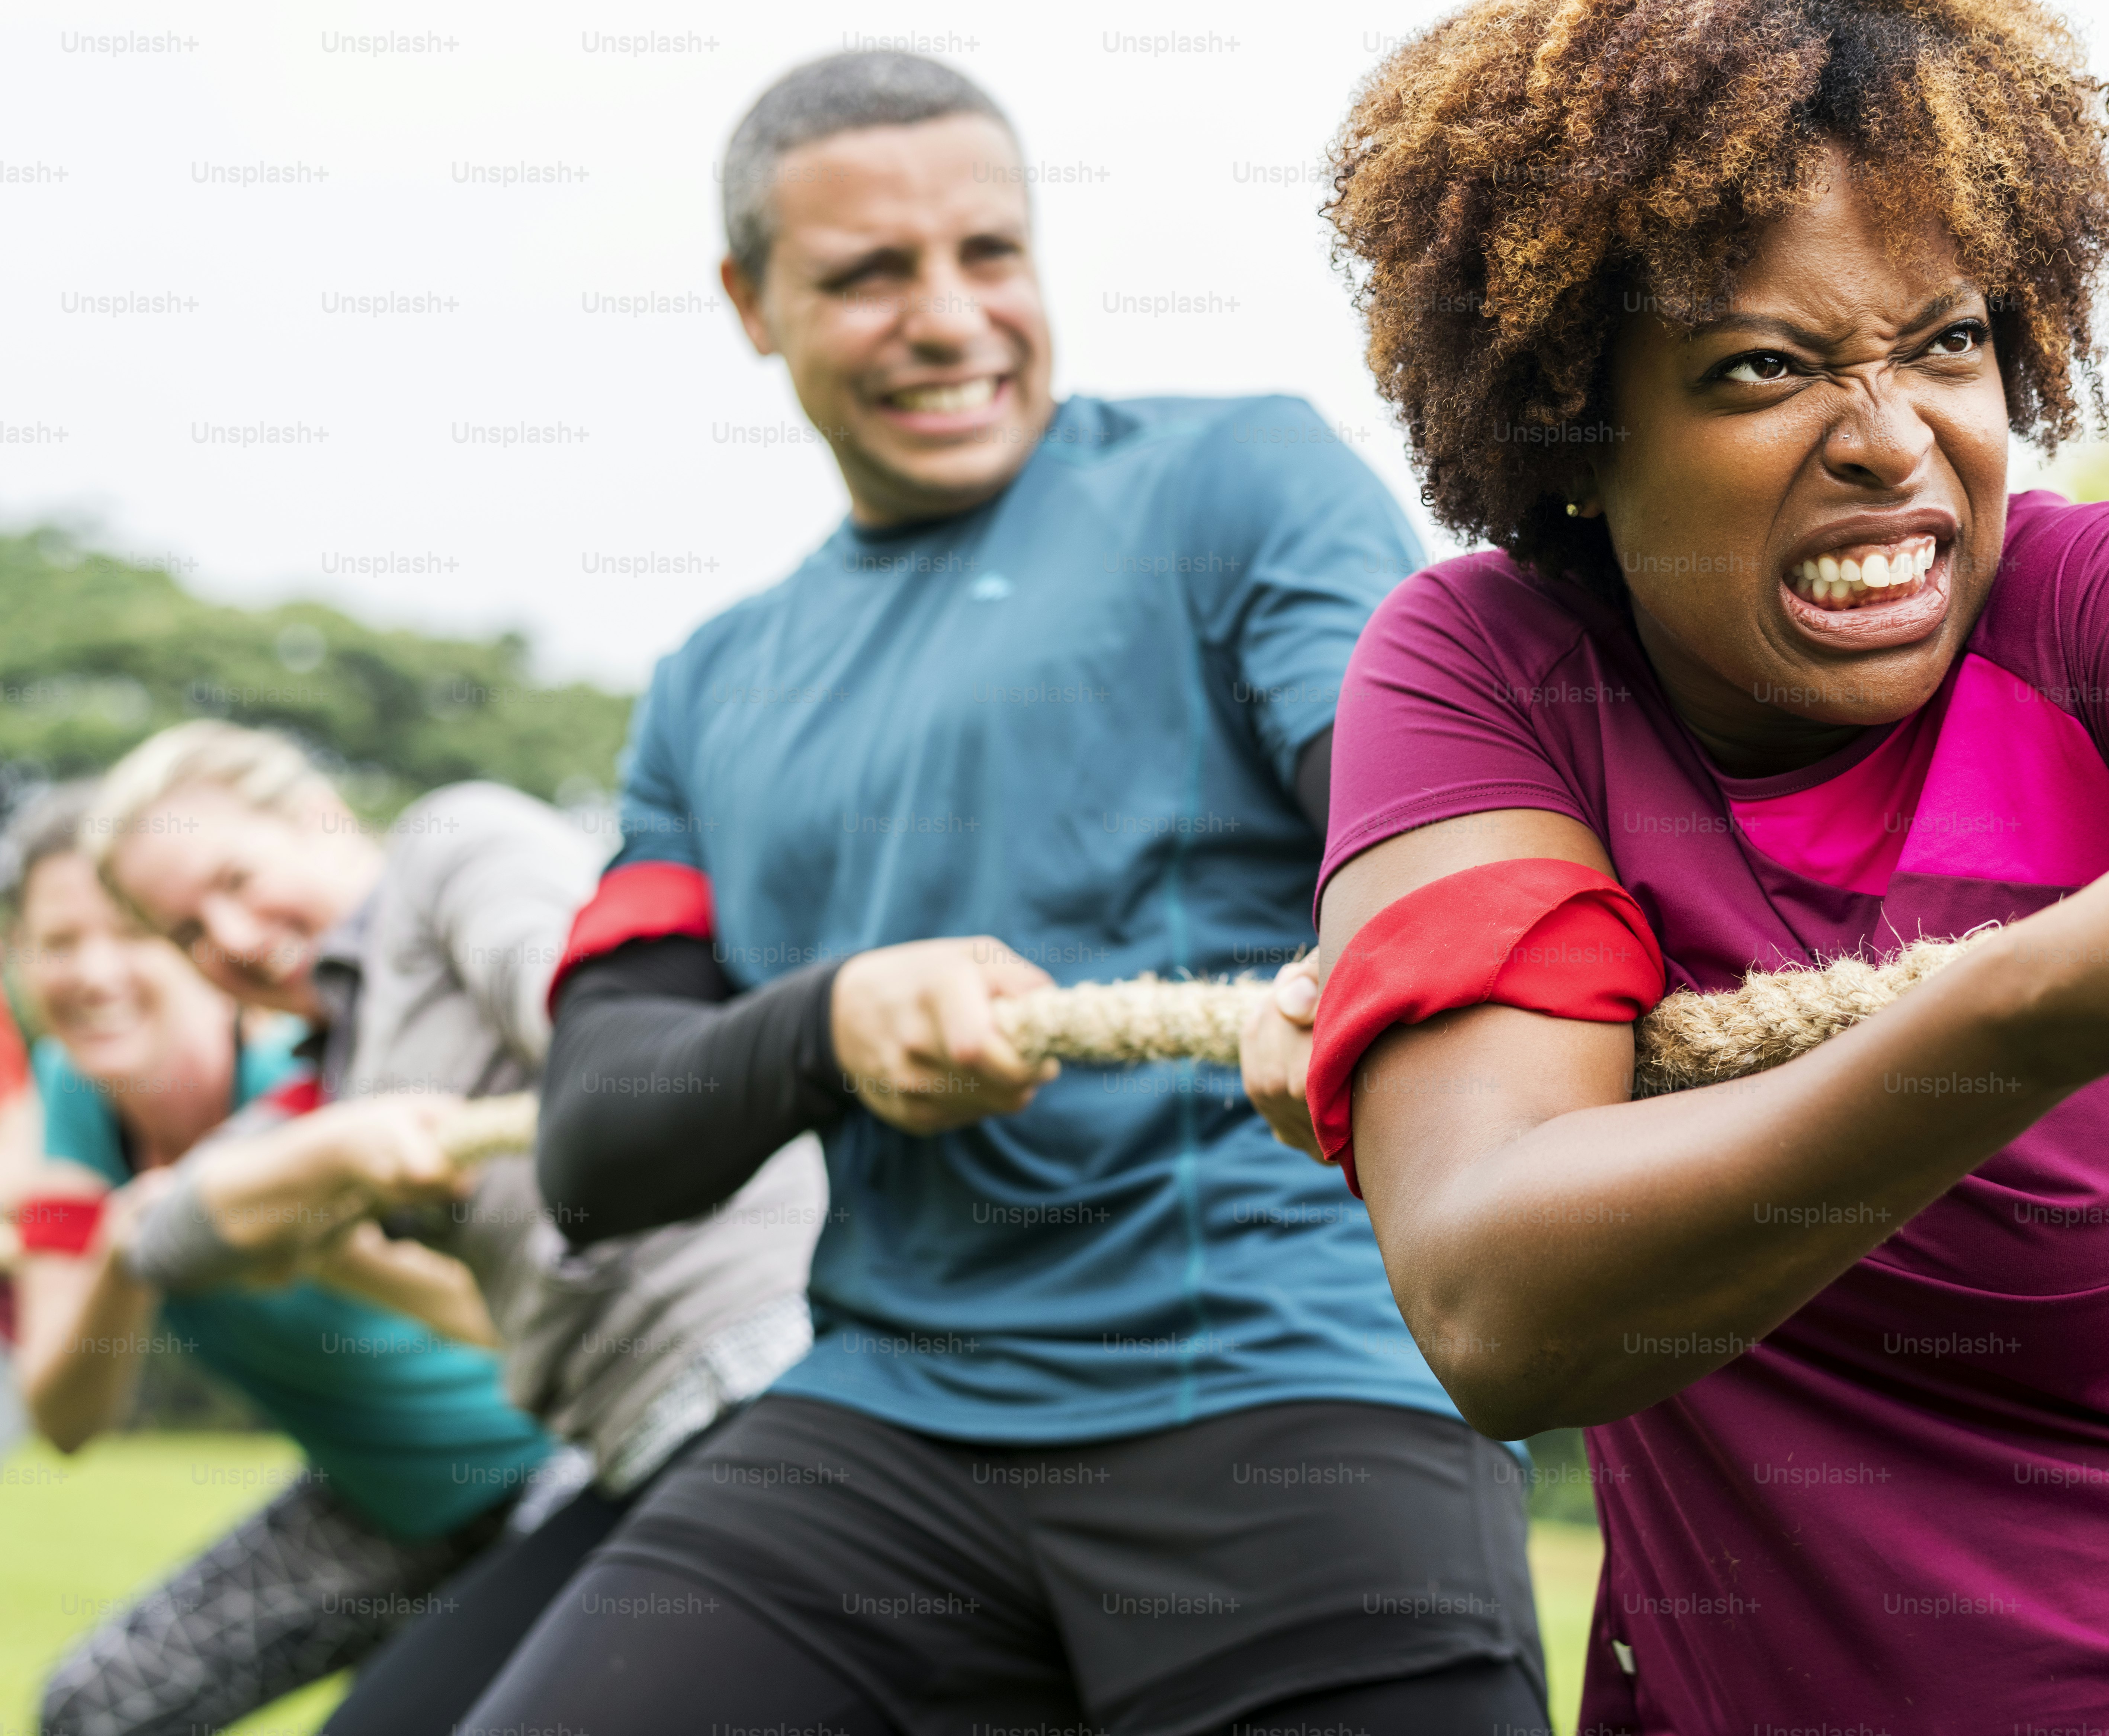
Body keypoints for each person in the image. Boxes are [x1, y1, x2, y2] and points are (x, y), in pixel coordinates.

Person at [1302, 2, 2109, 1733]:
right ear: (1570, 423)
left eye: (1947, 342)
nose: (1893, 440)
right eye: (1763, 367)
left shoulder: (2107, 622)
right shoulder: (1497, 677)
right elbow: (1497, 1296)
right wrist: (2046, 1000)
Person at [458, 48, 1550, 1736]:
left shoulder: (1233, 482)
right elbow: (598, 1148)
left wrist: (1361, 949)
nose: (952, 316)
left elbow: (1422, 825)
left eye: (990, 253)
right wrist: (827, 1022)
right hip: (881, 1428)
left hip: (1284, 1384)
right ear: (751, 302)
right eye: (869, 275)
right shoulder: (704, 690)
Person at [87, 722, 829, 1736]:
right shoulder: (336, 1081)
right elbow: (168, 1237)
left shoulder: (450, 847)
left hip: (765, 1368)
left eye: (238, 878)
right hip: (640, 1446)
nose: (236, 936)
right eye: (187, 932)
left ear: (320, 817)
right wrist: (342, 1153)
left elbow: (600, 1037)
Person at [4, 783, 560, 1736]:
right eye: (57, 942)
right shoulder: (76, 1099)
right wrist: (129, 1253)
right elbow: (65, 1416)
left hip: (541, 1478)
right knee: (92, 1712)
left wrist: (312, 1240)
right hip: (377, 1506)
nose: (93, 974)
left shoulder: (310, 1081)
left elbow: (502, 1312)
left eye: (130, 937)